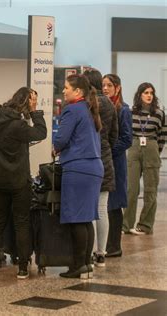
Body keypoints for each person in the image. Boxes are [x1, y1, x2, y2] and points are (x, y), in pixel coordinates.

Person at [0, 87, 47, 279]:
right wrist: (34, 112)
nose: (34, 104)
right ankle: (22, 267)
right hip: (19, 180)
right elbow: (41, 132)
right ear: (26, 102)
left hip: (1, 179)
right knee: (21, 222)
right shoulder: (19, 125)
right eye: (33, 101)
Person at [53, 74, 103, 279]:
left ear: (78, 92)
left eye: (66, 88)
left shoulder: (72, 110)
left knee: (75, 219)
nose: (63, 91)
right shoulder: (88, 110)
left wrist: (55, 147)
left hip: (77, 168)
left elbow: (62, 138)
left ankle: (76, 266)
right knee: (86, 218)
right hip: (94, 167)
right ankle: (85, 264)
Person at [83, 68, 118, 267]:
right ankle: (101, 253)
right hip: (105, 159)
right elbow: (114, 134)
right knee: (102, 209)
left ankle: (87, 253)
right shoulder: (110, 105)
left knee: (88, 209)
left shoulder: (85, 104)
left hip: (87, 159)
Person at [123, 82, 166, 235]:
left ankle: (145, 225)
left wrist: (155, 150)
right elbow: (126, 131)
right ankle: (126, 225)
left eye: (151, 93)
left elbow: (162, 135)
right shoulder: (130, 112)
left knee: (150, 189)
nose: (149, 95)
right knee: (131, 189)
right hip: (134, 147)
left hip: (152, 146)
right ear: (139, 94)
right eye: (146, 92)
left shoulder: (159, 113)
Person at [102, 74, 132, 257]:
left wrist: (109, 151)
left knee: (114, 204)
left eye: (109, 85)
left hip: (116, 162)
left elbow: (127, 139)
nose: (105, 88)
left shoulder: (124, 110)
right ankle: (106, 244)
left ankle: (114, 246)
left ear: (118, 88)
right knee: (104, 204)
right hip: (104, 161)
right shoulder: (103, 107)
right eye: (103, 85)